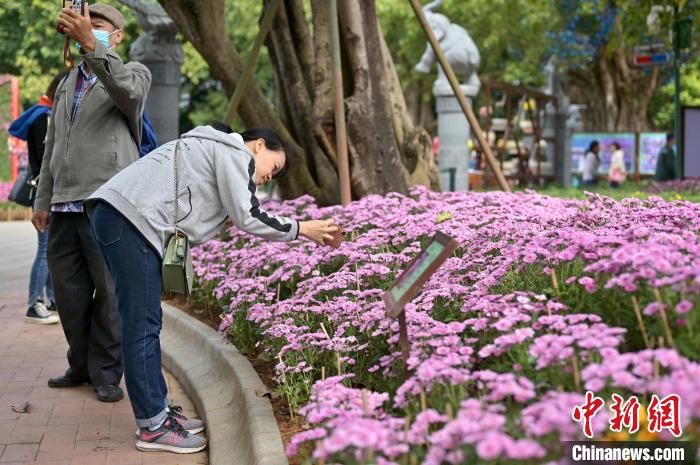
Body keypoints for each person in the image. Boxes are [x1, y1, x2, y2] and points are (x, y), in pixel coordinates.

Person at [85, 123, 338, 453]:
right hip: (130, 223)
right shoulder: (234, 153)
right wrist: (301, 228)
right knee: (141, 325)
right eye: (274, 167)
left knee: (147, 322)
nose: (269, 177)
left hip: (120, 218)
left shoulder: (214, 148)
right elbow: (248, 216)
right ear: (259, 145)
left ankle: (158, 411)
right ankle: (152, 426)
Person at [32, 3, 152, 403]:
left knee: (109, 293)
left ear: (115, 36)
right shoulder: (67, 83)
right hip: (64, 204)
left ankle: (105, 372)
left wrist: (91, 46)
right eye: (86, 25)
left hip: (106, 203)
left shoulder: (133, 72)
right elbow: (53, 145)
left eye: (98, 26)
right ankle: (79, 365)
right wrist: (42, 198)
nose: (89, 29)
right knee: (69, 294)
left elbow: (128, 93)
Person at [9, 71, 69, 324]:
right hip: (47, 193)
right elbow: (49, 159)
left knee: (51, 249)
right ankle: (34, 303)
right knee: (45, 250)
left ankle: (52, 298)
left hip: (49, 192)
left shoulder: (40, 113)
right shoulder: (43, 118)